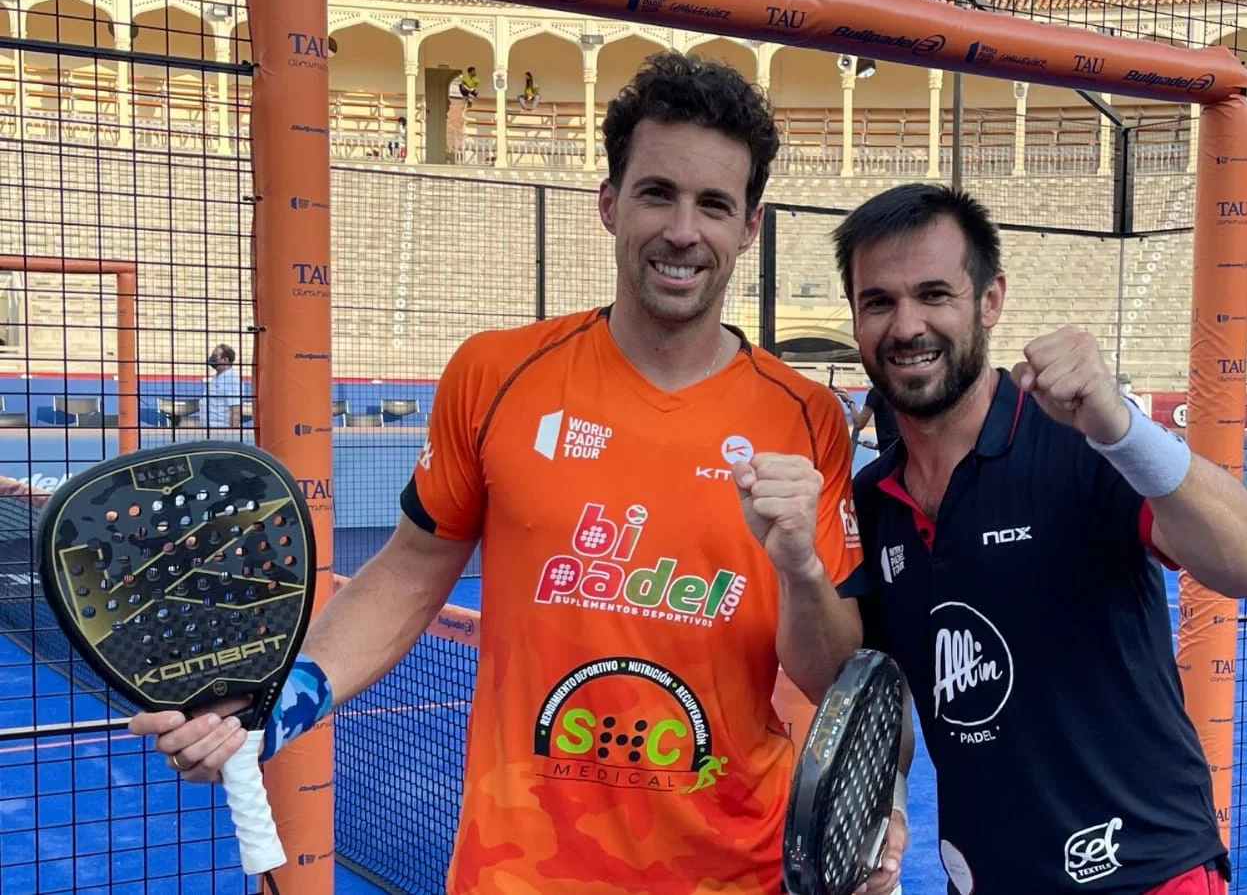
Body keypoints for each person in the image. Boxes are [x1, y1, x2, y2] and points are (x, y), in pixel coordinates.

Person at [127, 52, 906, 895]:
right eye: (656, 193)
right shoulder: (496, 373)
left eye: (713, 204)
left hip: (733, 875)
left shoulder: (804, 416)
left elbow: (830, 673)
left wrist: (798, 566)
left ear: (748, 226)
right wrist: (278, 707)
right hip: (518, 871)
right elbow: (407, 576)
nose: (684, 230)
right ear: (608, 203)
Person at [831, 183, 1247, 894]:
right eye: (878, 301)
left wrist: (1120, 428)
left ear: (990, 300)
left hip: (1143, 875)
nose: (906, 324)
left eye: (934, 294)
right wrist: (885, 806)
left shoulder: (1081, 441)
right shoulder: (871, 500)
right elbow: (886, 694)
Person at [196, 343, 242, 429]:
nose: (212, 358)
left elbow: (236, 409)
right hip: (210, 430)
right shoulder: (216, 377)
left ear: (225, 360)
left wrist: (233, 433)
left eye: (215, 355)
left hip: (221, 431)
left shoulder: (232, 379)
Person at [852, 385, 901, 451]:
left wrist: (850, 403)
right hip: (904, 448)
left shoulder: (875, 392)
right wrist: (875, 446)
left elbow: (859, 424)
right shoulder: (902, 390)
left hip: (890, 451)